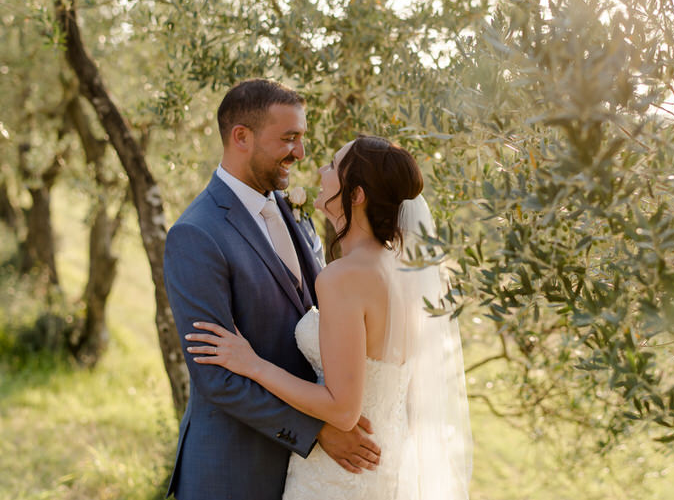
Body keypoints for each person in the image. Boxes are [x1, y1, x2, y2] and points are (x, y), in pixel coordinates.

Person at [186, 135, 472, 500]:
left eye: (334, 166)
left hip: (337, 475)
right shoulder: (401, 271)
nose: (321, 170)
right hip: (381, 464)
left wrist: (252, 364)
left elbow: (341, 409)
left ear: (356, 195)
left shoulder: (345, 277)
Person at [164, 80, 381, 500]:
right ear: (241, 137)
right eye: (288, 138)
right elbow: (216, 377)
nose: (300, 153)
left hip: (309, 477)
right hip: (234, 469)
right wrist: (318, 432)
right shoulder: (195, 234)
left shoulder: (294, 210)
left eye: (301, 138)